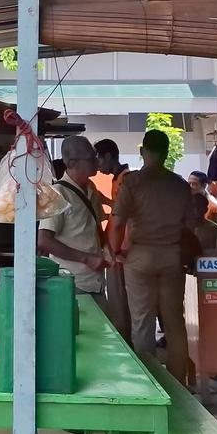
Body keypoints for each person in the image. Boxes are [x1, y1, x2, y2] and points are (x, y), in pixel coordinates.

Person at [109, 130, 193, 384]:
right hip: (172, 257)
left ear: (143, 151)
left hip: (140, 257)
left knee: (142, 321)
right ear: (167, 153)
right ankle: (179, 383)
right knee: (174, 323)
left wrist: (115, 252)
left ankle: (148, 384)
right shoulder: (180, 185)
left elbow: (117, 223)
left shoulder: (133, 183)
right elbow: (190, 226)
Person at [39, 136, 111, 311]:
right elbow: (44, 240)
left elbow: (96, 228)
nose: (97, 161)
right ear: (72, 163)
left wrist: (108, 248)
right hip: (73, 284)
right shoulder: (57, 194)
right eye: (91, 158)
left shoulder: (91, 188)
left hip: (96, 282)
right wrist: (85, 258)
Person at [94, 138, 133, 341]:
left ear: (108, 156)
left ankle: (125, 341)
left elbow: (124, 217)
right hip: (117, 247)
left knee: (121, 301)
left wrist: (115, 250)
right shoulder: (118, 179)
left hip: (121, 249)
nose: (97, 166)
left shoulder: (126, 179)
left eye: (98, 159)